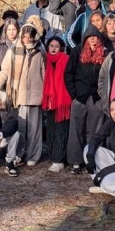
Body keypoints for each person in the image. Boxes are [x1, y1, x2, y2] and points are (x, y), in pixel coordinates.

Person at [0, 23, 46, 171]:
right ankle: (18, 154)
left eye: (30, 37)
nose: (27, 39)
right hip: (17, 95)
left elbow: (45, 75)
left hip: (35, 95)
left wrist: (46, 95)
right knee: (20, 127)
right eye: (24, 36)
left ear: (34, 37)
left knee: (34, 129)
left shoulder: (40, 52)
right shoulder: (13, 50)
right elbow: (4, 71)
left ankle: (33, 156)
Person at [65, 25, 107, 174]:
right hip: (80, 97)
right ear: (85, 38)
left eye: (95, 36)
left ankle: (92, 158)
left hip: (97, 97)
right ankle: (75, 161)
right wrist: (74, 94)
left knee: (95, 130)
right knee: (76, 129)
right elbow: (68, 74)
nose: (93, 39)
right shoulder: (77, 51)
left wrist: (102, 95)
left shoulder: (105, 53)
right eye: (90, 37)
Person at [42, 35, 73, 172]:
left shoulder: (66, 59)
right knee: (51, 130)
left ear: (61, 48)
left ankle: (59, 160)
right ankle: (53, 156)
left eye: (56, 46)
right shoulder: (45, 60)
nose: (54, 48)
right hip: (50, 101)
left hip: (63, 101)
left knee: (61, 130)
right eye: (51, 46)